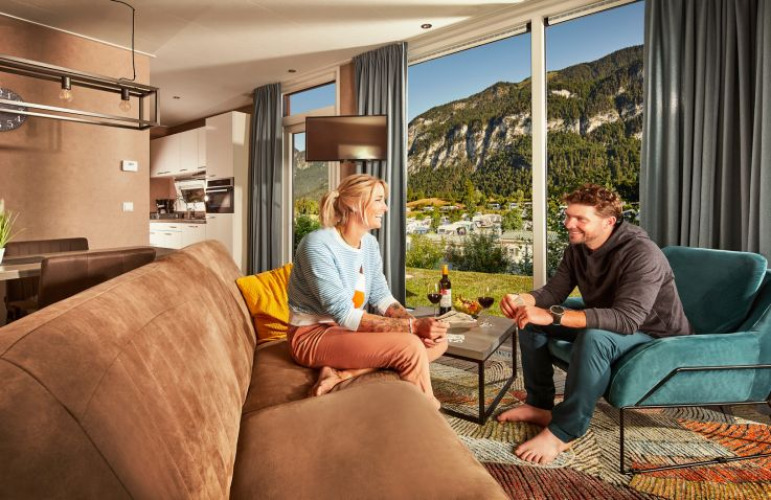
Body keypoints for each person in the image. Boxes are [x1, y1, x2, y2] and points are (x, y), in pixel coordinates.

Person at [497, 184, 693, 464]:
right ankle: (539, 404)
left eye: (580, 219)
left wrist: (553, 315)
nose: (569, 224)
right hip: (610, 319)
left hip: (654, 335)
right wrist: (522, 300)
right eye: (568, 216)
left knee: (594, 337)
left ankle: (565, 431)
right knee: (529, 319)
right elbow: (553, 292)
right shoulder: (578, 247)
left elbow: (627, 319)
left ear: (608, 222)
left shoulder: (642, 253)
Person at [287, 174, 450, 409]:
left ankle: (344, 374)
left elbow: (381, 297)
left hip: (347, 330)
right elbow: (344, 314)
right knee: (411, 347)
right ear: (355, 204)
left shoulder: (370, 244)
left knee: (438, 342)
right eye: (379, 200)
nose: (385, 207)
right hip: (311, 336)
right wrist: (413, 328)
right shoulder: (317, 244)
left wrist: (420, 326)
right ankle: (428, 413)